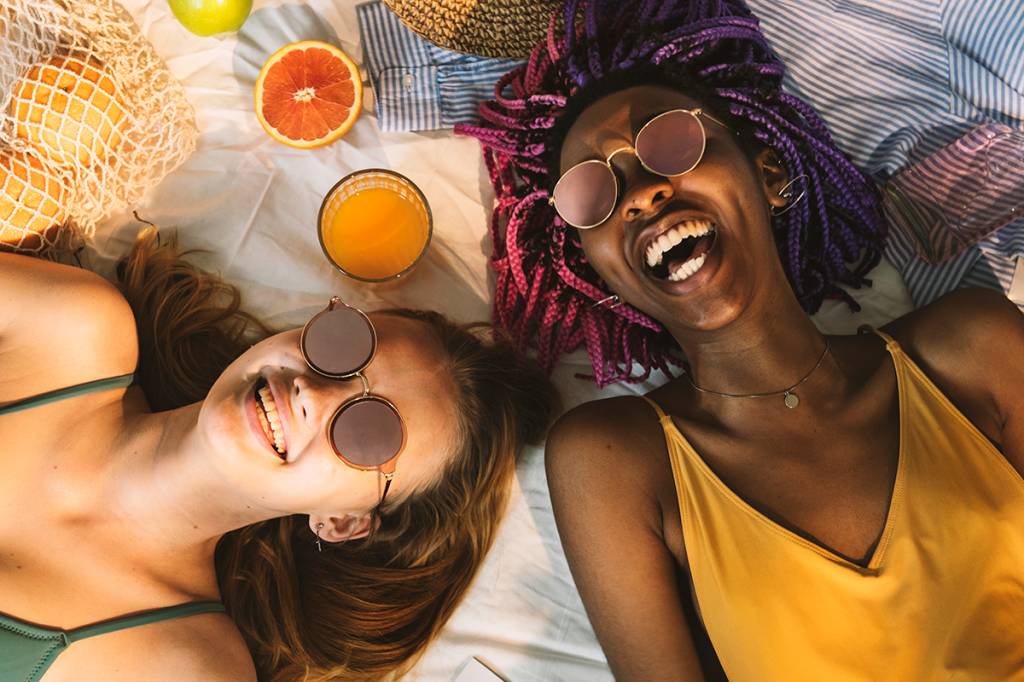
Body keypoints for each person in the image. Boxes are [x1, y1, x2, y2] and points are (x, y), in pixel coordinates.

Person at [460, 0, 1024, 679]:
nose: (638, 194)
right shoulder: (613, 464)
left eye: (672, 142)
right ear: (596, 269)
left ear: (770, 177)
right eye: (592, 194)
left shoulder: (974, 348)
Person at [0, 228, 556, 681]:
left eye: (369, 433)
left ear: (340, 521)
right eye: (342, 346)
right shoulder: (71, 330)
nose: (313, 393)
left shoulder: (184, 664)